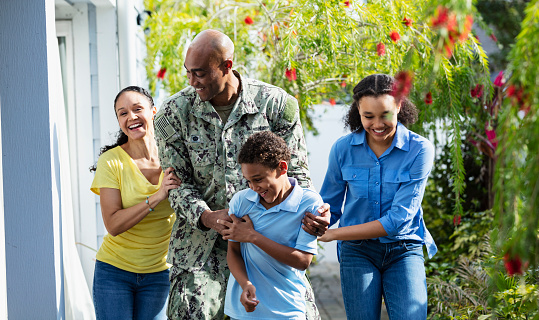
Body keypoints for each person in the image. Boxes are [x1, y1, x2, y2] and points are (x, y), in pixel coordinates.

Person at [153, 29, 329, 320]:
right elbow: (176, 185)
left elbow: (297, 173)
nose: (191, 81)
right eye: (188, 72)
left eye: (199, 73)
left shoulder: (275, 106)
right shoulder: (173, 113)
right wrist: (207, 216)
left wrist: (315, 213)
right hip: (201, 251)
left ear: (226, 66)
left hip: (268, 243)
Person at [317, 74, 437, 320]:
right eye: (368, 116)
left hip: (403, 247)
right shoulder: (343, 149)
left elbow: (397, 220)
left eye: (385, 114)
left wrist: (334, 234)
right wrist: (317, 219)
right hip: (357, 252)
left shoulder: (419, 150)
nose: (377, 124)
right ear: (357, 112)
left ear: (399, 106)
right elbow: (330, 204)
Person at [90, 86, 181, 320]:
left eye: (137, 109)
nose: (131, 117)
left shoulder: (175, 156)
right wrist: (157, 196)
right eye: (123, 113)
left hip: (159, 274)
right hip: (114, 272)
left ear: (153, 112)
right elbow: (113, 224)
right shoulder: (111, 162)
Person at [218, 131, 323, 320]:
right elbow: (233, 251)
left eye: (258, 179)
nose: (253, 188)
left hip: (287, 309)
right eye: (248, 181)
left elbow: (302, 261)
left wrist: (253, 236)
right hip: (244, 311)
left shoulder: (309, 203)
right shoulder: (241, 201)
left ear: (282, 168)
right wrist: (245, 284)